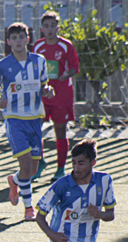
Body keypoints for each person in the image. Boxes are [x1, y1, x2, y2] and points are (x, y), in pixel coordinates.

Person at [0, 22, 55, 221]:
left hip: (35, 119)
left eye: (21, 37)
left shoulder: (40, 61)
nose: (18, 41)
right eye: (14, 38)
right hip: (14, 119)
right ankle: (28, 209)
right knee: (25, 163)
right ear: (9, 42)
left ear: (28, 39)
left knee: (32, 169)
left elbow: (45, 86)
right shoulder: (1, 66)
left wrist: (48, 91)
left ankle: (14, 180)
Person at [31, 10, 80, 182]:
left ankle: (60, 168)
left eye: (53, 26)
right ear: (42, 29)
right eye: (46, 26)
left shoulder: (66, 46)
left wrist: (67, 74)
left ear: (58, 28)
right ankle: (40, 162)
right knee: (34, 129)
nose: (50, 29)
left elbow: (75, 66)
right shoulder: (37, 47)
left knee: (60, 130)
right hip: (42, 95)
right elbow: (33, 68)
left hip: (62, 95)